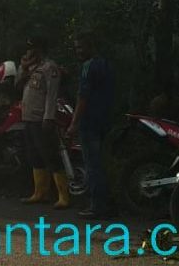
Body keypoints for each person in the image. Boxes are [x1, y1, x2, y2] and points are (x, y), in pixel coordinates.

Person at [66, 31, 115, 218]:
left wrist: (74, 123)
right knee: (102, 163)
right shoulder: (107, 65)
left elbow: (82, 97)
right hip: (105, 119)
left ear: (90, 46)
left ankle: (97, 206)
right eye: (76, 47)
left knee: (93, 165)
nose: (78, 51)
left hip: (90, 122)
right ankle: (108, 203)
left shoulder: (88, 66)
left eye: (80, 47)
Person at [17, 36, 69, 209]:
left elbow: (52, 94)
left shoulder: (50, 67)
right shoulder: (30, 68)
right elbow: (17, 85)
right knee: (34, 155)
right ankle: (40, 192)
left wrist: (49, 117)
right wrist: (23, 67)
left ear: (40, 50)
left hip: (41, 118)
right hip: (28, 117)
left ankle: (63, 195)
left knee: (50, 155)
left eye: (33, 49)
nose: (29, 52)